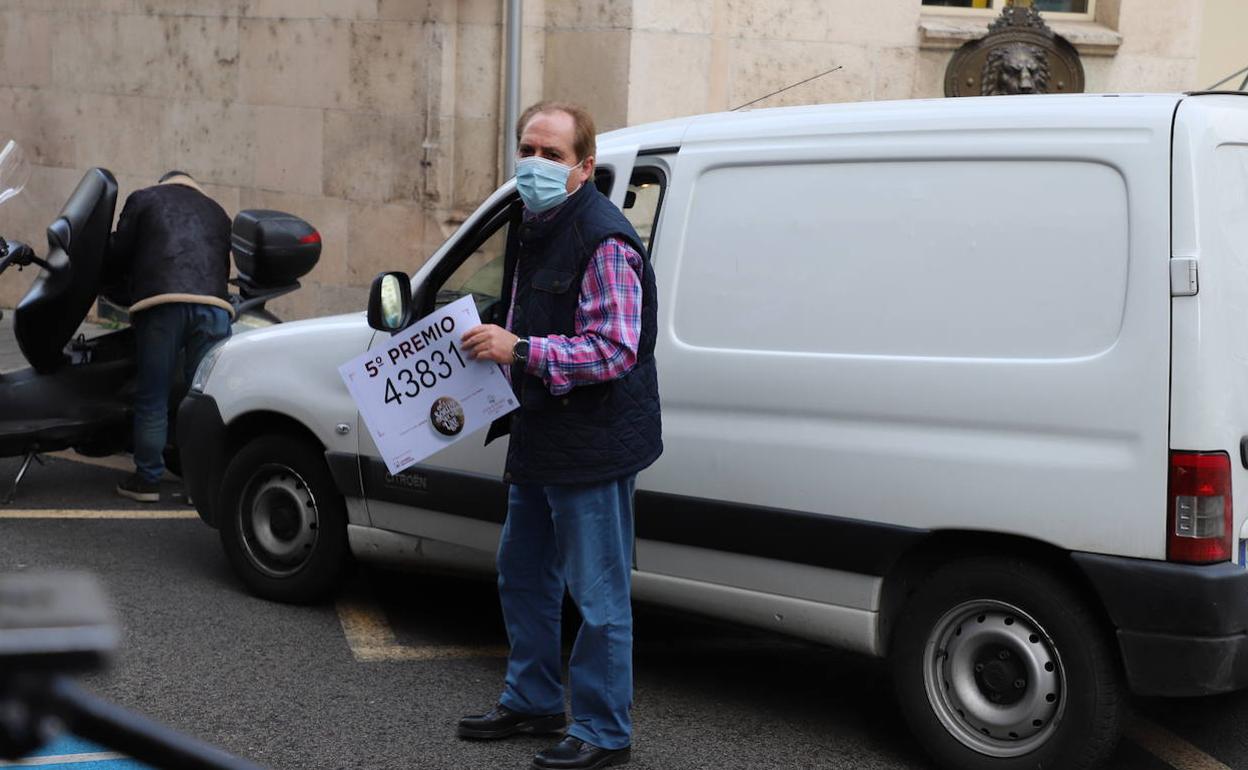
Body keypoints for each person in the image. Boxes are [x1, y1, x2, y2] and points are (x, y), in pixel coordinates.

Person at [458, 101, 662, 770]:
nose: (535, 164)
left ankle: (604, 732)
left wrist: (520, 351)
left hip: (593, 441)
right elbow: (526, 311)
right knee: (522, 573)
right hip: (542, 433)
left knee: (597, 597)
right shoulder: (534, 221)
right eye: (527, 149)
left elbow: (612, 350)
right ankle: (534, 700)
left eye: (551, 154)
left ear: (583, 167)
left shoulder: (602, 239)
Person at [104, 171, 234, 503]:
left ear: (164, 182)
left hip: (160, 305)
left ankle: (147, 480)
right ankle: (198, 487)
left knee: (153, 395)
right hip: (214, 308)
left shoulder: (144, 199)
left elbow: (117, 254)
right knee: (202, 400)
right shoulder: (218, 211)